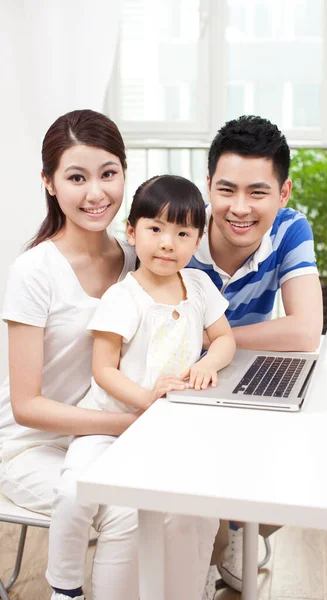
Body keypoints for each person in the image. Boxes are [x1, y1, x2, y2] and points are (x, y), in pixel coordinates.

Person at [0, 110, 221, 600]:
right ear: (49, 183)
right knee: (126, 505)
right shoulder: (34, 272)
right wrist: (142, 420)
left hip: (112, 428)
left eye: (108, 174)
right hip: (36, 445)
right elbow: (27, 407)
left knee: (193, 496)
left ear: (124, 173)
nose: (95, 192)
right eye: (76, 177)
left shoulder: (135, 257)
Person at [47, 173, 236, 600]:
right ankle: (64, 585)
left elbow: (225, 338)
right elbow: (104, 369)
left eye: (183, 233)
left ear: (197, 241)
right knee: (74, 489)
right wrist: (145, 400)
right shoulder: (123, 297)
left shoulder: (200, 287)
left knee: (193, 506)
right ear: (132, 232)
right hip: (109, 425)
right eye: (155, 229)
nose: (168, 243)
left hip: (167, 429)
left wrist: (208, 362)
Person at [188, 115, 323, 598]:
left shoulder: (290, 228)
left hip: (235, 372)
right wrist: (214, 347)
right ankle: (205, 546)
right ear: (208, 186)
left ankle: (238, 532)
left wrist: (217, 339)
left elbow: (306, 329)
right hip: (183, 381)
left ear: (284, 193)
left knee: (302, 462)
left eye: (258, 192)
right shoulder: (178, 229)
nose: (239, 208)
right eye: (226, 190)